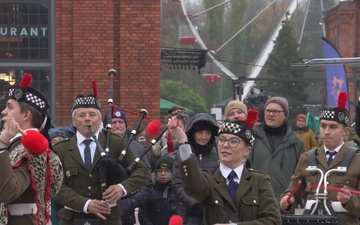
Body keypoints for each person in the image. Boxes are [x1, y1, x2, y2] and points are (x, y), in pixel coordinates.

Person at [53, 90, 150, 225]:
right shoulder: (61, 149)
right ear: (74, 122)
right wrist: (86, 204)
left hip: (108, 219)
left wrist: (122, 188)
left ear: (99, 120)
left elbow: (143, 171)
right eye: (82, 115)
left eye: (92, 114)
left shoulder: (115, 143)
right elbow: (55, 186)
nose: (87, 118)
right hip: (72, 219)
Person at [168, 110, 281, 225]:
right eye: (221, 140)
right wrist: (183, 141)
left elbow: (273, 221)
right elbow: (193, 184)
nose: (225, 145)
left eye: (233, 141)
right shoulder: (209, 179)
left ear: (247, 150)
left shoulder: (259, 181)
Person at [280, 92, 360, 225]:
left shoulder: (357, 159)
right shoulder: (307, 158)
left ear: (345, 131)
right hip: (311, 220)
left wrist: (349, 200)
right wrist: (288, 200)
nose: (326, 131)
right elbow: (294, 190)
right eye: (323, 126)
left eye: (333, 127)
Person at [0, 73, 63, 225]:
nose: (3, 112)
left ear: (26, 115)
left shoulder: (31, 150)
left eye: (9, 107)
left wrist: (2, 144)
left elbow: (7, 191)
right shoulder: (17, 146)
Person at [248, 96, 304, 201]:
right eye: (268, 110)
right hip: (254, 202)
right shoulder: (252, 136)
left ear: (285, 115)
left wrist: (293, 199)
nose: (271, 114)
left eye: (276, 111)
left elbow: (300, 176)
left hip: (283, 204)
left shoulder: (296, 142)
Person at [104, 106, 151, 225]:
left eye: (121, 122)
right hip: (101, 209)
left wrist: (129, 203)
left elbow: (146, 181)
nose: (118, 125)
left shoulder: (137, 148)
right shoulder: (98, 146)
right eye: (113, 122)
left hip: (130, 212)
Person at [171, 113, 219, 225]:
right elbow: (177, 183)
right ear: (193, 133)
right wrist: (193, 203)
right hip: (186, 212)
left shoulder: (218, 154)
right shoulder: (182, 154)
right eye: (200, 132)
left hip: (212, 211)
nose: (204, 137)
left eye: (208, 133)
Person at [138, 156, 187, 225]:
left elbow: (184, 213)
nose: (163, 174)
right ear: (155, 173)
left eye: (167, 171)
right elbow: (143, 214)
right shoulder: (149, 190)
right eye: (160, 171)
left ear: (173, 172)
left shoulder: (179, 191)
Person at [48, 128, 67, 225]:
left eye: (61, 141)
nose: (57, 144)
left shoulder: (69, 157)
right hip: (52, 198)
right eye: (54, 141)